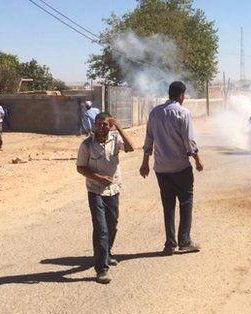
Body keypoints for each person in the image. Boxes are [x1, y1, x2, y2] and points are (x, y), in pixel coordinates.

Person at [140, 81, 203, 256]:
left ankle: (170, 244)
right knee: (186, 202)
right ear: (181, 95)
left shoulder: (155, 112)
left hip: (161, 168)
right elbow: (189, 141)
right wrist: (197, 159)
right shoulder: (183, 113)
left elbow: (148, 139)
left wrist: (145, 162)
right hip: (180, 166)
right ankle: (184, 241)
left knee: (168, 206)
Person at [76, 112, 135, 284]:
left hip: (114, 188)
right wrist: (98, 178)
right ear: (94, 125)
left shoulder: (115, 140)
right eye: (99, 124)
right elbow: (80, 168)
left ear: (111, 126)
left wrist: (120, 128)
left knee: (112, 224)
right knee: (101, 228)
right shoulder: (86, 145)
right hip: (95, 190)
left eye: (106, 124)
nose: (102, 127)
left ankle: (107, 253)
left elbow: (131, 147)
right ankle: (101, 269)